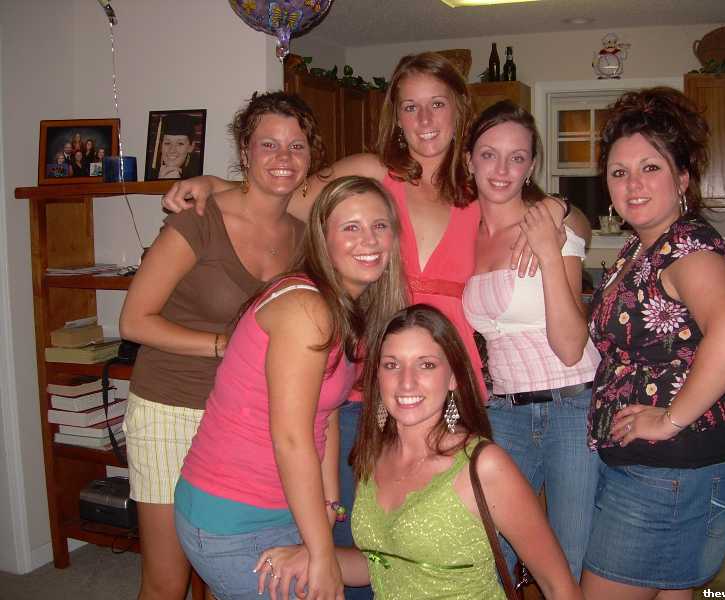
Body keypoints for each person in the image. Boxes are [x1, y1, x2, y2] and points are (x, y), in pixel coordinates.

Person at [161, 53, 538, 599]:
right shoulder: (371, 173)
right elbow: (286, 193)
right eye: (410, 107)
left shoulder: (482, 188)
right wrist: (214, 184)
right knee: (356, 538)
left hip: (449, 389)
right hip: (367, 391)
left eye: (437, 104)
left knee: (450, 540)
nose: (425, 120)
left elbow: (548, 213)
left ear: (459, 110)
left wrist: (559, 213)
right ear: (395, 117)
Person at [118, 91, 324, 600]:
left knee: (225, 574)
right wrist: (226, 345)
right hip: (172, 407)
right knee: (167, 581)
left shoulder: (306, 237)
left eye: (296, 146)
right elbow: (134, 321)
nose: (283, 157)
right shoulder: (200, 219)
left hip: (244, 419)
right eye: (268, 144)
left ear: (310, 157)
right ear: (245, 151)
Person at [174, 176, 407, 600]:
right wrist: (322, 555)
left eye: (379, 225)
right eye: (350, 227)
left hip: (282, 503)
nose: (369, 240)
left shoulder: (347, 308)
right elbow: (291, 438)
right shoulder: (307, 308)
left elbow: (326, 413)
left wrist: (329, 503)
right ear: (322, 239)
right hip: (233, 514)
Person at [254, 305, 581, 600]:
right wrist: (315, 556)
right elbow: (381, 565)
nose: (406, 382)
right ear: (377, 377)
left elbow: (559, 587)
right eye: (392, 365)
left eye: (426, 365)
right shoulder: (373, 456)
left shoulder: (482, 466)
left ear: (452, 378)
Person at [581, 87, 725, 598]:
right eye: (619, 172)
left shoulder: (687, 248)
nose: (633, 184)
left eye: (650, 167)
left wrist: (669, 419)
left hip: (668, 474)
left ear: (682, 178)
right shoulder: (643, 247)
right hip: (666, 471)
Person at [462, 100, 600, 581]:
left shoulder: (551, 228)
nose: (502, 170)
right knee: (488, 552)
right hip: (504, 410)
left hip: (572, 407)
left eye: (516, 157)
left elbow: (571, 346)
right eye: (489, 154)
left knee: (566, 559)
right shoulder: (464, 232)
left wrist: (548, 250)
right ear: (469, 160)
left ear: (531, 166)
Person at [151, 113, 202, 180]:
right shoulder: (150, 171)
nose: (172, 150)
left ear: (191, 147)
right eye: (167, 143)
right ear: (161, 145)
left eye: (180, 143)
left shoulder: (198, 175)